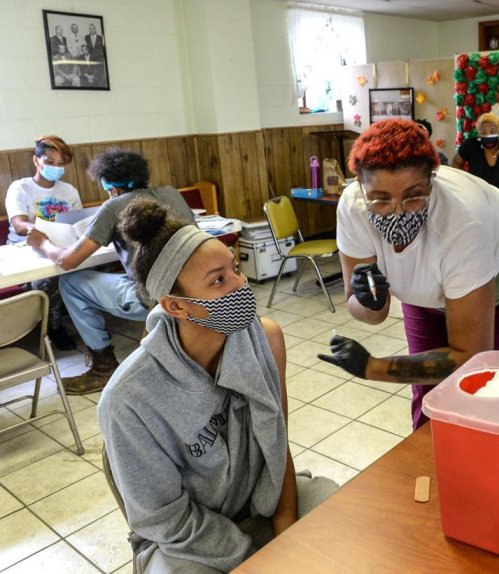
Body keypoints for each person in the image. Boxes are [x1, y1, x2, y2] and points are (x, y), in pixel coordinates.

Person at [99, 199, 338, 573]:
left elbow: (278, 444)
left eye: (236, 269)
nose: (240, 285)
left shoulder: (266, 339)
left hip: (259, 502)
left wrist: (287, 532)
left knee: (343, 514)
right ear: (176, 306)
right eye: (218, 280)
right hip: (186, 540)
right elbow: (164, 520)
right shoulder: (129, 399)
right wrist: (254, 559)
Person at [319, 119, 499, 429]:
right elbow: (369, 314)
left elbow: (471, 357)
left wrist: (374, 367)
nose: (397, 211)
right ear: (360, 185)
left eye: (414, 195)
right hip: (429, 292)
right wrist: (369, 301)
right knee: (430, 399)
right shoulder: (353, 207)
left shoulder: (463, 220)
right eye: (381, 199)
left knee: (484, 396)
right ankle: (429, 474)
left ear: (433, 179)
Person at [26, 149, 195, 395]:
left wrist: (41, 241)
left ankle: (103, 368)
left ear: (111, 187)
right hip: (192, 293)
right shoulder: (171, 194)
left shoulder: (114, 206)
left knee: (72, 282)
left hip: (153, 301)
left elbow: (68, 260)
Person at [4, 135, 82, 350]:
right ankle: (53, 328)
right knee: (48, 278)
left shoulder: (69, 191)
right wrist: (39, 232)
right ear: (36, 161)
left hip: (63, 245)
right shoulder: (20, 188)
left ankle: (83, 322)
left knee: (84, 267)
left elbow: (77, 221)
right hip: (27, 250)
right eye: (49, 162)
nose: (55, 168)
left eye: (61, 164)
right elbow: (19, 224)